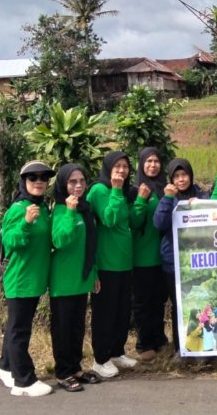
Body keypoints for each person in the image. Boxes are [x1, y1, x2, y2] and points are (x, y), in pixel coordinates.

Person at [0, 161, 55, 397]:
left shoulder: (44, 208)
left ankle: (4, 366)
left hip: (34, 279)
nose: (38, 182)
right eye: (32, 178)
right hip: (20, 279)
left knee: (16, 327)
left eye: (43, 178)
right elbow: (10, 242)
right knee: (20, 330)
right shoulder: (19, 209)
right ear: (24, 182)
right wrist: (26, 223)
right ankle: (23, 381)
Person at [48, 163, 101, 392]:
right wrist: (69, 212)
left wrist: (94, 273)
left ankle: (76, 368)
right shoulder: (60, 210)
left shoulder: (85, 209)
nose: (78, 185)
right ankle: (62, 373)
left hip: (82, 278)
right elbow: (60, 241)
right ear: (62, 184)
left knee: (77, 327)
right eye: (72, 181)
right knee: (63, 328)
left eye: (81, 181)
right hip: (63, 281)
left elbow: (90, 245)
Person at [87, 151, 137, 379]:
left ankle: (117, 351)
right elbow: (109, 219)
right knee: (104, 313)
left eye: (125, 166)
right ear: (108, 168)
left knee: (121, 311)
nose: (121, 170)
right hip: (106, 264)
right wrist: (116, 190)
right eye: (117, 166)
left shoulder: (124, 191)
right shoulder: (99, 190)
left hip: (124, 263)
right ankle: (100, 359)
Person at [154, 158, 210, 353]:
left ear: (190, 175)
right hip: (174, 262)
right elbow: (159, 224)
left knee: (201, 305)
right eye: (176, 176)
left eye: (184, 175)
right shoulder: (169, 198)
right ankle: (181, 348)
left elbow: (213, 218)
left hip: (199, 262)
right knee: (180, 306)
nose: (181, 179)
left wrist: (201, 205)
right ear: (171, 179)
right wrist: (168, 199)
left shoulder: (202, 195)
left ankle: (202, 348)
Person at [130, 147, 168, 361]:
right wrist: (141, 201)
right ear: (141, 164)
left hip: (161, 256)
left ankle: (159, 338)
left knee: (159, 300)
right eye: (148, 161)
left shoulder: (165, 188)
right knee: (143, 302)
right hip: (142, 256)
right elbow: (134, 222)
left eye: (156, 161)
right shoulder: (135, 190)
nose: (153, 165)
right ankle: (144, 343)